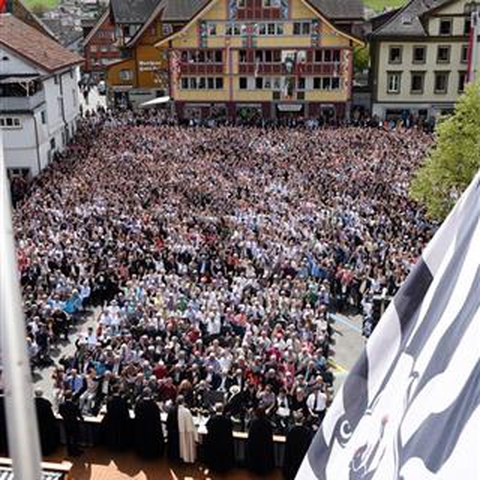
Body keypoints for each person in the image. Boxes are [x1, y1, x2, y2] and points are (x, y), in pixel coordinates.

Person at [133, 389, 164, 459]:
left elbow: (136, 414)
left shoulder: (139, 404)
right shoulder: (154, 405)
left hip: (142, 429)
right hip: (151, 429)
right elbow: (157, 418)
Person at [204, 403, 234, 473]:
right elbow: (231, 429)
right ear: (223, 409)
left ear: (215, 409)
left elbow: (207, 427)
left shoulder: (212, 419)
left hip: (214, 444)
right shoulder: (227, 419)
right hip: (224, 444)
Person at [283, 412, 313, 480]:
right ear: (303, 419)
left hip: (291, 460)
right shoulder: (307, 432)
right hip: (301, 459)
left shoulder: (290, 431)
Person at [246, 407, 275, 475]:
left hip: (255, 447)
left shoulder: (253, 422)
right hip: (265, 447)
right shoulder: (267, 423)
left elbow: (250, 435)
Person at [34, 389, 60, 456]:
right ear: (42, 393)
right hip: (45, 425)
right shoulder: (46, 403)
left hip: (35, 425)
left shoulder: (31, 402)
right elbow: (50, 415)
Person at [58, 390, 83, 456]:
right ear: (71, 396)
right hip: (74, 424)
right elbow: (78, 414)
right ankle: (75, 451)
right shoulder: (74, 405)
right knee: (75, 438)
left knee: (68, 438)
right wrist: (81, 419)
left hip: (66, 423)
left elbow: (60, 412)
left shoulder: (61, 405)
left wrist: (64, 417)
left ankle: (69, 452)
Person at [177, 395, 197, 464]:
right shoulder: (187, 411)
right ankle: (189, 458)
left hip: (180, 432)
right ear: (183, 402)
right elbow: (191, 423)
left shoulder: (175, 411)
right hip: (188, 431)